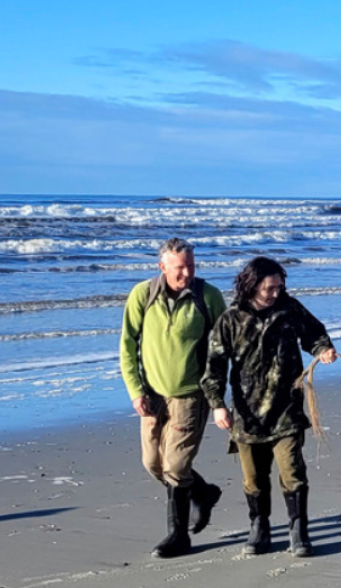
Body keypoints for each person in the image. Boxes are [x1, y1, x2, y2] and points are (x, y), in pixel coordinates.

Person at [202, 256, 337, 557]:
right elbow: (214, 367)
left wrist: (324, 348)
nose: (276, 293)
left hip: (287, 409)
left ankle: (298, 532)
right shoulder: (230, 320)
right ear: (251, 286)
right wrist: (217, 406)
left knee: (293, 471)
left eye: (279, 286)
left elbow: (314, 334)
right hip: (247, 414)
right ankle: (259, 528)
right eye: (269, 288)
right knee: (254, 478)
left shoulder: (290, 309)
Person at [119, 237, 227, 558]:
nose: (186, 273)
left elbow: (223, 349)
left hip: (191, 396)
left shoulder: (208, 297)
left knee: (176, 466)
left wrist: (219, 397)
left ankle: (178, 536)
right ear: (162, 266)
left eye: (191, 266)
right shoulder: (143, 295)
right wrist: (135, 390)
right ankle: (204, 493)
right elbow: (127, 345)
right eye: (179, 267)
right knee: (153, 464)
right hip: (152, 396)